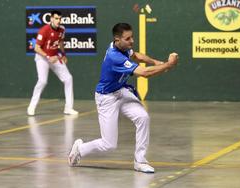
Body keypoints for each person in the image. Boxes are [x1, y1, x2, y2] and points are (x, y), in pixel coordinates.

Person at [68, 23, 178, 173]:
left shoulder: (122, 47)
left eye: (132, 37)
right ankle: (80, 149)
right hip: (106, 98)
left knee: (143, 117)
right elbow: (145, 73)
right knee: (109, 144)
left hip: (121, 91)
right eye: (128, 38)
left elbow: (136, 55)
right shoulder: (115, 57)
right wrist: (168, 65)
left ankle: (140, 161)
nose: (132, 40)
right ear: (117, 39)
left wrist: (157, 62)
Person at [27, 10, 78, 116]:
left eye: (60, 19)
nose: (58, 21)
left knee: (68, 79)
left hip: (54, 57)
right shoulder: (44, 30)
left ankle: (68, 108)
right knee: (42, 81)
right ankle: (31, 107)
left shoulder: (62, 29)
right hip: (42, 57)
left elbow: (60, 41)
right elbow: (36, 48)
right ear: (51, 19)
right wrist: (48, 56)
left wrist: (63, 54)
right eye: (56, 18)